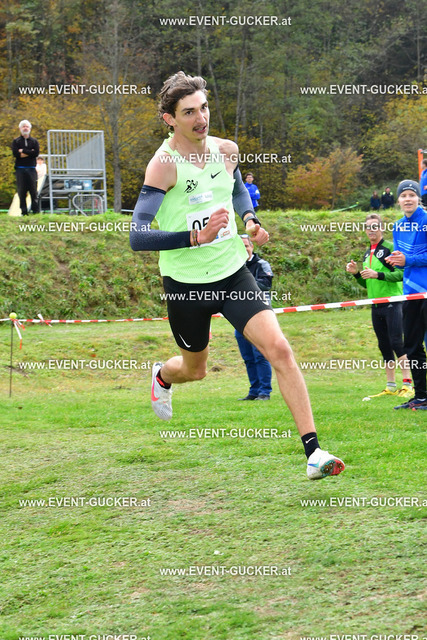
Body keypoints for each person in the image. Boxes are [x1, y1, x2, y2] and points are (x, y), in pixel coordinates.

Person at [129, 71, 344, 480]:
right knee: (194, 370)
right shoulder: (162, 166)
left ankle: (314, 453)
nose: (201, 118)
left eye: (204, 108)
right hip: (186, 285)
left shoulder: (226, 151)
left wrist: (250, 219)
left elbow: (237, 189)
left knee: (280, 349)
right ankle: (162, 375)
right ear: (169, 119)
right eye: (189, 112)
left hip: (232, 274)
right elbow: (137, 236)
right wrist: (196, 237)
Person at [346, 213, 412, 398]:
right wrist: (356, 274)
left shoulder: (390, 247)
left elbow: (401, 274)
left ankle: (408, 384)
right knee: (384, 345)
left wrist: (378, 275)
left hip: (393, 302)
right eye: (368, 227)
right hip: (375, 305)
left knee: (397, 342)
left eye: (374, 226)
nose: (371, 230)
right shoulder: (368, 253)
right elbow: (368, 283)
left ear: (381, 228)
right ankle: (390, 386)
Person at [385, 180, 427, 410]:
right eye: (404, 196)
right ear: (398, 200)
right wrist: (394, 261)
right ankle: (421, 396)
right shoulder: (398, 226)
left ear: (418, 198)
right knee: (411, 345)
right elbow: (402, 260)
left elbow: (411, 259)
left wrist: (408, 259)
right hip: (410, 294)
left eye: (412, 195)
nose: (408, 199)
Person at [236, 234, 273, 401]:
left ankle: (265, 392)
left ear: (252, 246)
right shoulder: (233, 267)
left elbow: (265, 284)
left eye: (246, 245)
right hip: (239, 316)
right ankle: (254, 391)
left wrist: (243, 284)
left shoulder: (261, 264)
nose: (244, 249)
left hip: (259, 315)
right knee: (248, 357)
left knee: (260, 355)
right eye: (240, 246)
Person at [11, 120, 40, 215]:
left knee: (33, 190)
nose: (25, 128)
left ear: (30, 128)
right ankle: (24, 212)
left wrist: (23, 151)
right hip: (20, 169)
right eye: (23, 126)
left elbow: (36, 153)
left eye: (27, 126)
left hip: (31, 168)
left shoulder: (34, 141)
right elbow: (16, 154)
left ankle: (35, 211)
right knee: (21, 191)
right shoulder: (16, 141)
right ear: (20, 128)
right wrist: (30, 152)